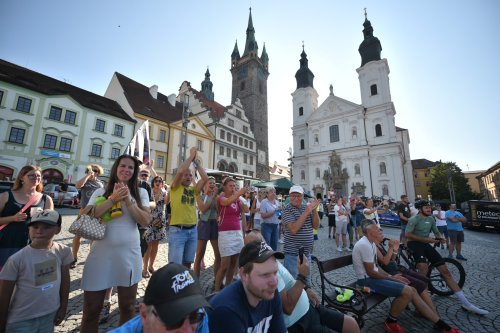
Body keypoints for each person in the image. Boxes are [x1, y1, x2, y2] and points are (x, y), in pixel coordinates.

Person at [80, 155, 151, 332]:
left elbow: (145, 221)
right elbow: (87, 216)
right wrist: (112, 199)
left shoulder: (141, 192)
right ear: (115, 168)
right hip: (100, 254)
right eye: (123, 166)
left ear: (135, 173)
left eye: (131, 168)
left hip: (129, 255)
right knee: (91, 310)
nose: (126, 170)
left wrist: (128, 201)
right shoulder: (100, 191)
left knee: (127, 306)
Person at [353, 219, 461, 333]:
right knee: (409, 291)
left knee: (412, 290)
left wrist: (391, 276)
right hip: (366, 281)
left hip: (372, 278)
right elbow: (371, 272)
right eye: (376, 228)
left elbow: (376, 268)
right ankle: (391, 322)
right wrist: (391, 277)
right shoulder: (364, 244)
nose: (379, 229)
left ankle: (442, 325)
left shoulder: (370, 243)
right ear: (370, 232)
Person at [245, 230, 360, 333]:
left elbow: (290, 282)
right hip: (299, 322)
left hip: (310, 308)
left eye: (263, 243)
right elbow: (288, 307)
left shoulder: (270, 259)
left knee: (351, 324)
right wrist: (302, 276)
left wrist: (306, 288)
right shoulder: (264, 270)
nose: (264, 247)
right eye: (258, 246)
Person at [405, 200, 488, 315]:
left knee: (446, 272)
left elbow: (436, 232)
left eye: (429, 207)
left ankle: (466, 303)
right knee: (423, 271)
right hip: (414, 244)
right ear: (420, 209)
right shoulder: (414, 219)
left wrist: (439, 238)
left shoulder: (431, 219)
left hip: (426, 244)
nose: (429, 209)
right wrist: (428, 240)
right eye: (426, 208)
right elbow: (407, 234)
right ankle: (420, 305)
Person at [0, 210, 71, 333]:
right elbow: (4, 295)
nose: (39, 231)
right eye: (35, 227)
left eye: (46, 227)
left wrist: (63, 306)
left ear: (58, 229)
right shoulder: (16, 260)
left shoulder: (63, 251)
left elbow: (65, 280)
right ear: (28, 229)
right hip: (21, 319)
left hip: (49, 315)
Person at [208, 240, 286, 333]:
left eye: (275, 273)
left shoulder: (270, 293)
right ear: (244, 274)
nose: (274, 282)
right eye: (265, 275)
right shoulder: (227, 310)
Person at [109, 263, 210, 333]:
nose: (188, 331)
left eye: (193, 316)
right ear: (144, 315)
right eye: (174, 320)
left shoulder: (201, 318)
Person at [0, 165, 53, 270]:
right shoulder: (6, 196)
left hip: (32, 244)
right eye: (31, 175)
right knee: (4, 277)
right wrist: (13, 218)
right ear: (21, 177)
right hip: (6, 243)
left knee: (25, 277)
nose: (36, 178)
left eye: (38, 176)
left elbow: (51, 225)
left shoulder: (46, 199)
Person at [169, 147, 208, 267]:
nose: (188, 177)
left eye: (190, 176)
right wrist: (191, 156)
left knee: (187, 262)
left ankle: (185, 285)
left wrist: (196, 163)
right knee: (175, 265)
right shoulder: (175, 188)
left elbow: (205, 178)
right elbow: (180, 171)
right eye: (186, 175)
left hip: (192, 230)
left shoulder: (194, 190)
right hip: (177, 231)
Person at [214, 177, 248, 291]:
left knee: (234, 264)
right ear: (225, 187)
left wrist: (240, 198)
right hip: (225, 233)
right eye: (230, 186)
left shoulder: (237, 199)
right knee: (224, 266)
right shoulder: (221, 198)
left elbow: (246, 210)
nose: (233, 188)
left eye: (234, 186)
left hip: (237, 232)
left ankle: (227, 289)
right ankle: (216, 290)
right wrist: (239, 194)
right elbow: (227, 202)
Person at [281, 185, 319, 280]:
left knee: (306, 283)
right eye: (293, 196)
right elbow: (293, 229)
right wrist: (306, 212)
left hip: (307, 254)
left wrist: (314, 210)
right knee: (293, 283)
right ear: (289, 196)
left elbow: (316, 226)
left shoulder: (306, 208)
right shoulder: (287, 209)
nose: (296, 198)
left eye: (298, 196)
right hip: (293, 254)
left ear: (303, 196)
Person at [71, 164, 104, 269]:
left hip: (95, 211)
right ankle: (74, 257)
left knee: (92, 236)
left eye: (96, 171)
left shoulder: (100, 183)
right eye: (91, 170)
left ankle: (92, 258)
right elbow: (77, 186)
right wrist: (88, 176)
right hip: (84, 210)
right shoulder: (85, 181)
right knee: (77, 235)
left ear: (99, 172)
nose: (94, 172)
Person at [193, 176, 220, 278]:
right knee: (199, 254)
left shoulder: (217, 197)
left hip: (214, 224)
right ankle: (196, 280)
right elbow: (203, 209)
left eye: (214, 183)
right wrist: (212, 198)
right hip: (204, 224)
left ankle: (216, 279)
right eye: (210, 183)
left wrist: (215, 198)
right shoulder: (200, 196)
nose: (212, 185)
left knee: (218, 254)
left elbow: (218, 211)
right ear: (205, 185)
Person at [142, 176, 168, 278]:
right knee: (148, 245)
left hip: (159, 221)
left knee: (155, 245)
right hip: (149, 220)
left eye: (160, 181)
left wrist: (164, 190)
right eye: (156, 181)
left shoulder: (164, 193)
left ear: (162, 183)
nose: (158, 182)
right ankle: (144, 268)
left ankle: (151, 266)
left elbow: (166, 202)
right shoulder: (149, 192)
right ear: (153, 183)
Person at [259, 186, 282, 251]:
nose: (273, 193)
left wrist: (280, 214)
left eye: (274, 192)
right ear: (267, 194)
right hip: (266, 225)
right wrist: (275, 211)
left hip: (275, 225)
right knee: (266, 245)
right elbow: (263, 215)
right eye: (271, 192)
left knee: (274, 244)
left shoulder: (277, 202)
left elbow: (278, 216)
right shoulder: (264, 202)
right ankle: (265, 259)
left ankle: (273, 259)